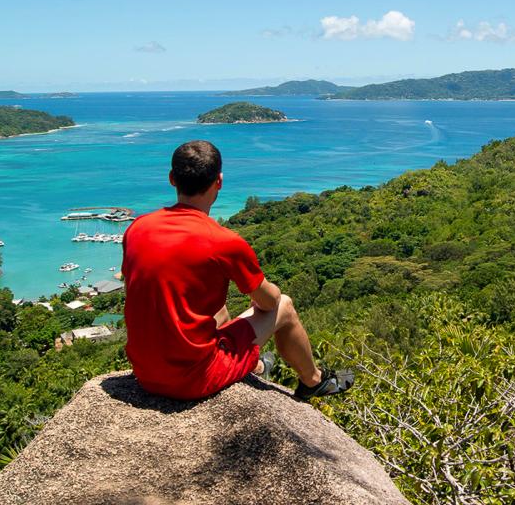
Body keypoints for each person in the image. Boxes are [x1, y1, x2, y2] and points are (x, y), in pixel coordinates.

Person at [121, 140, 352, 401]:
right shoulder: (224, 241)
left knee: (218, 308)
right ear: (219, 181)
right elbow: (270, 303)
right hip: (192, 380)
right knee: (285, 306)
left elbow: (135, 293)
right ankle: (314, 381)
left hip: (145, 372)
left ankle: (254, 366)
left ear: (172, 178)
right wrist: (268, 294)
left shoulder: (137, 228)